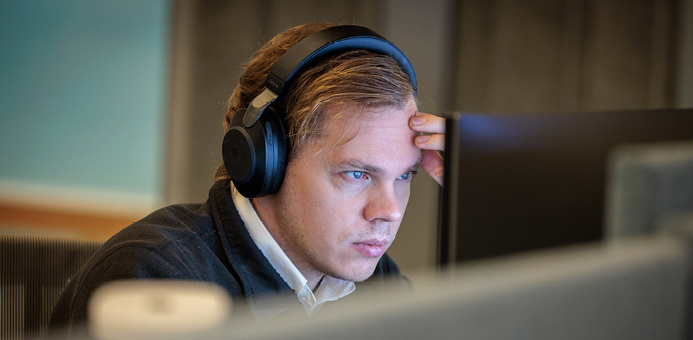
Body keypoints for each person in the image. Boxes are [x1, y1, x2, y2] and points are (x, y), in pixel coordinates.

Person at [48, 22, 445, 335]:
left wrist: (480, 200)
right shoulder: (156, 279)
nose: (389, 211)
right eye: (357, 174)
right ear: (265, 161)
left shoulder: (376, 282)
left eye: (405, 175)